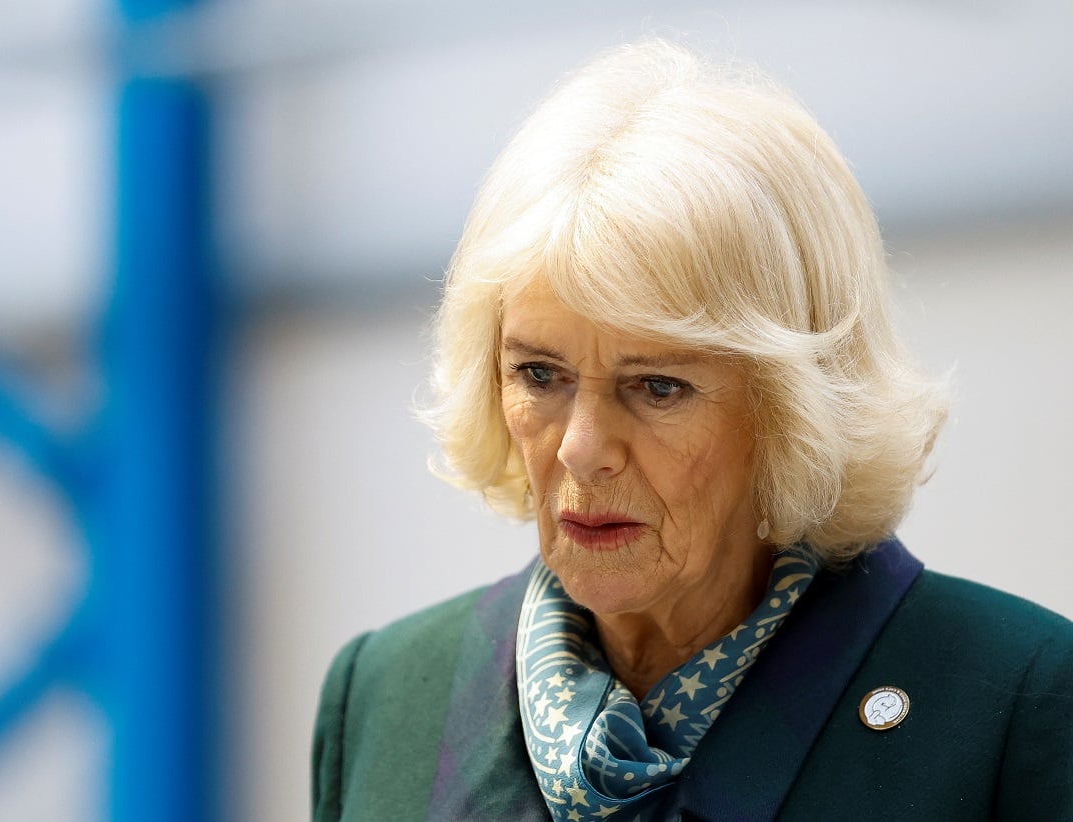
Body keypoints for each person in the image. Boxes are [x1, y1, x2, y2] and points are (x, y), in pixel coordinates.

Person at [311, 40, 1073, 821]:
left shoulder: (1017, 701)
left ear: (791, 411)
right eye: (540, 374)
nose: (581, 448)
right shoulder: (387, 694)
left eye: (657, 386)